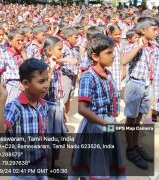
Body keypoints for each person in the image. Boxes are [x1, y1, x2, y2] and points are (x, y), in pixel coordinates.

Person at [70, 34, 126, 179]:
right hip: (95, 126)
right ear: (95, 57)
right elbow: (82, 109)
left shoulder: (108, 74)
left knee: (105, 158)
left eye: (112, 52)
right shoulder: (89, 77)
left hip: (107, 123)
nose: (113, 56)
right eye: (108, 53)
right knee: (94, 160)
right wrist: (105, 123)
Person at [0, 58, 49, 180]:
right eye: (41, 81)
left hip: (41, 160)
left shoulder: (43, 104)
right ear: (26, 83)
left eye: (47, 80)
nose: (46, 85)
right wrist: (2, 99)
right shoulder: (15, 107)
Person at [121, 17, 158, 169]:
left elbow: (155, 71)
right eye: (154, 29)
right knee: (131, 118)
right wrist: (138, 47)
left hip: (147, 85)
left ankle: (135, 146)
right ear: (143, 31)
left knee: (140, 117)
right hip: (135, 85)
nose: (157, 32)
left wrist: (155, 92)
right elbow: (124, 61)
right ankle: (130, 149)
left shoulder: (154, 47)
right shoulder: (133, 45)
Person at [42, 36, 67, 171]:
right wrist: (50, 69)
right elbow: (44, 86)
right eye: (59, 49)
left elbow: (59, 89)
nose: (62, 52)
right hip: (47, 107)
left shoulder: (57, 65)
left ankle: (52, 166)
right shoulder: (44, 66)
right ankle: (47, 168)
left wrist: (62, 106)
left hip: (56, 104)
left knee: (56, 139)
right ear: (49, 51)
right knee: (48, 140)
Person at [107, 24, 124, 91]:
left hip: (118, 69)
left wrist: (123, 69)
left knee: (116, 90)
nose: (118, 36)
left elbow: (122, 56)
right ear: (110, 34)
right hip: (109, 69)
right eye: (116, 34)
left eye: (119, 34)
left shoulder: (120, 44)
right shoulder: (107, 44)